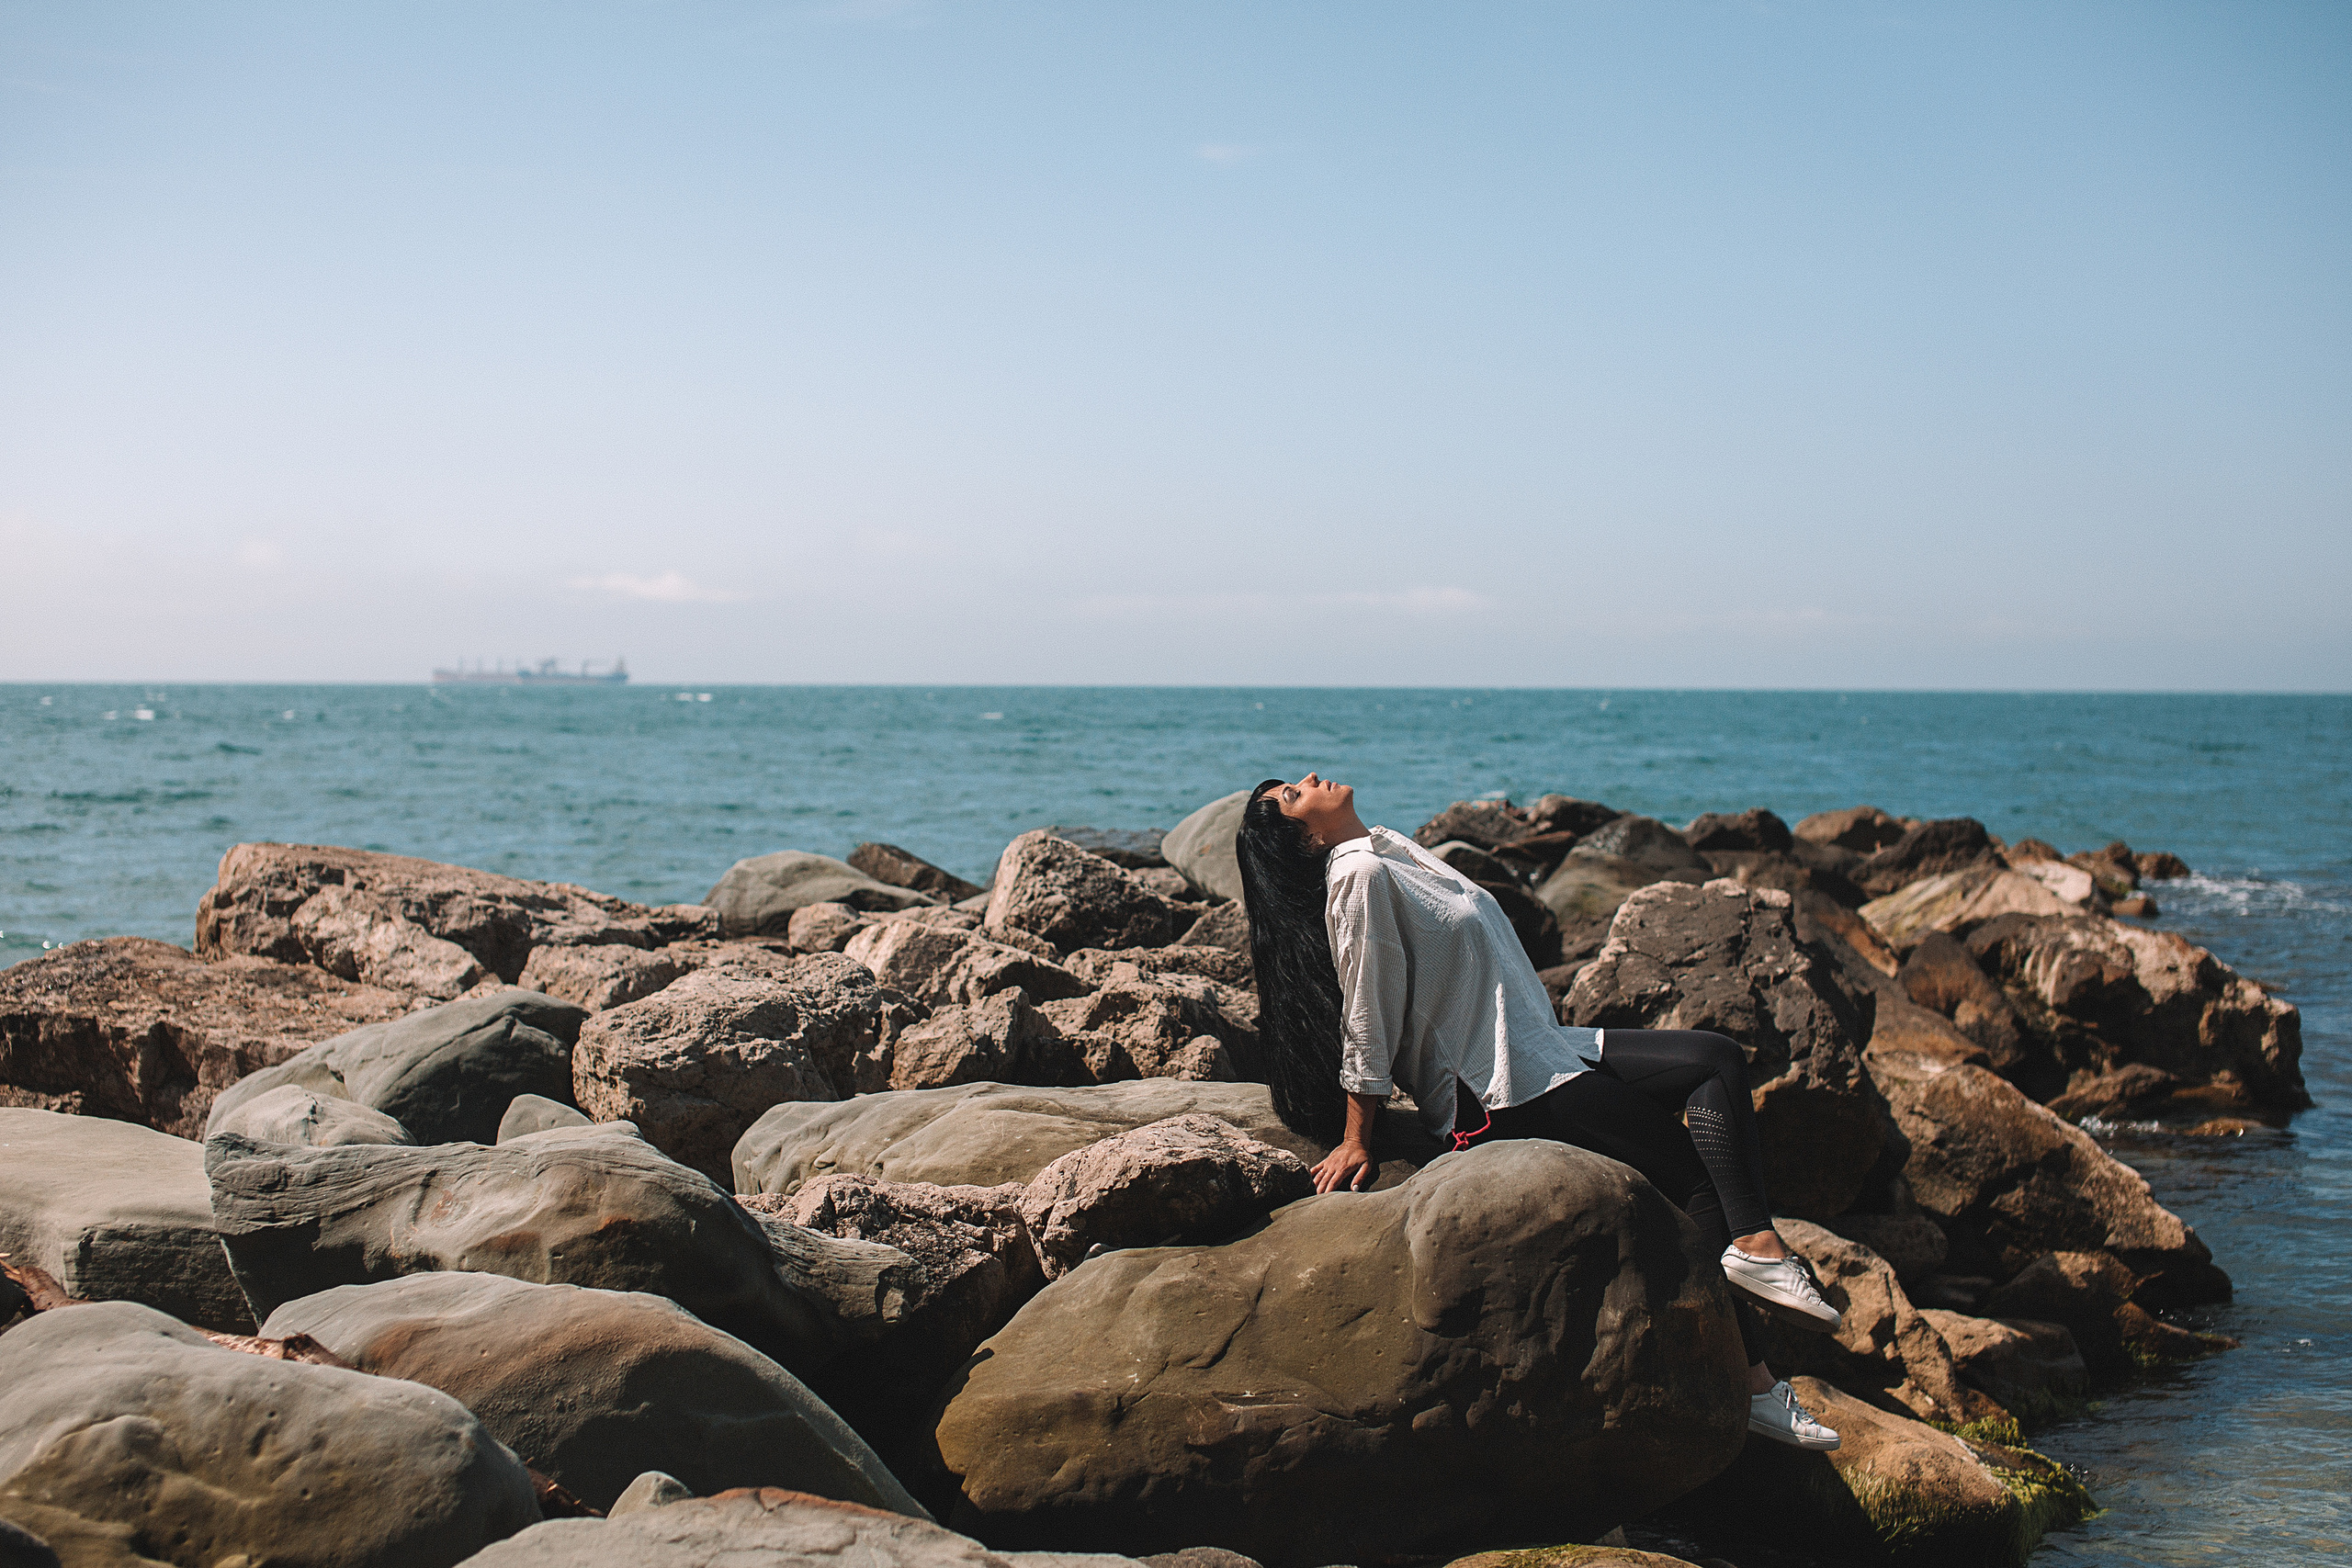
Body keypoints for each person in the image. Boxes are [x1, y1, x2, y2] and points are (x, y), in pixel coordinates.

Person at [1236, 772, 1843, 1450]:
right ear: (1309, 839)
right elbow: (1365, 1009)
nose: (1309, 779)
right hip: (1496, 1087)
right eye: (1292, 794)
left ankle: (1756, 1244)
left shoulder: (1384, 849)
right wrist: (1357, 1136)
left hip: (1541, 1048)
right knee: (1689, 1176)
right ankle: (1756, 1385)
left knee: (1717, 1058)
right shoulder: (1356, 876)